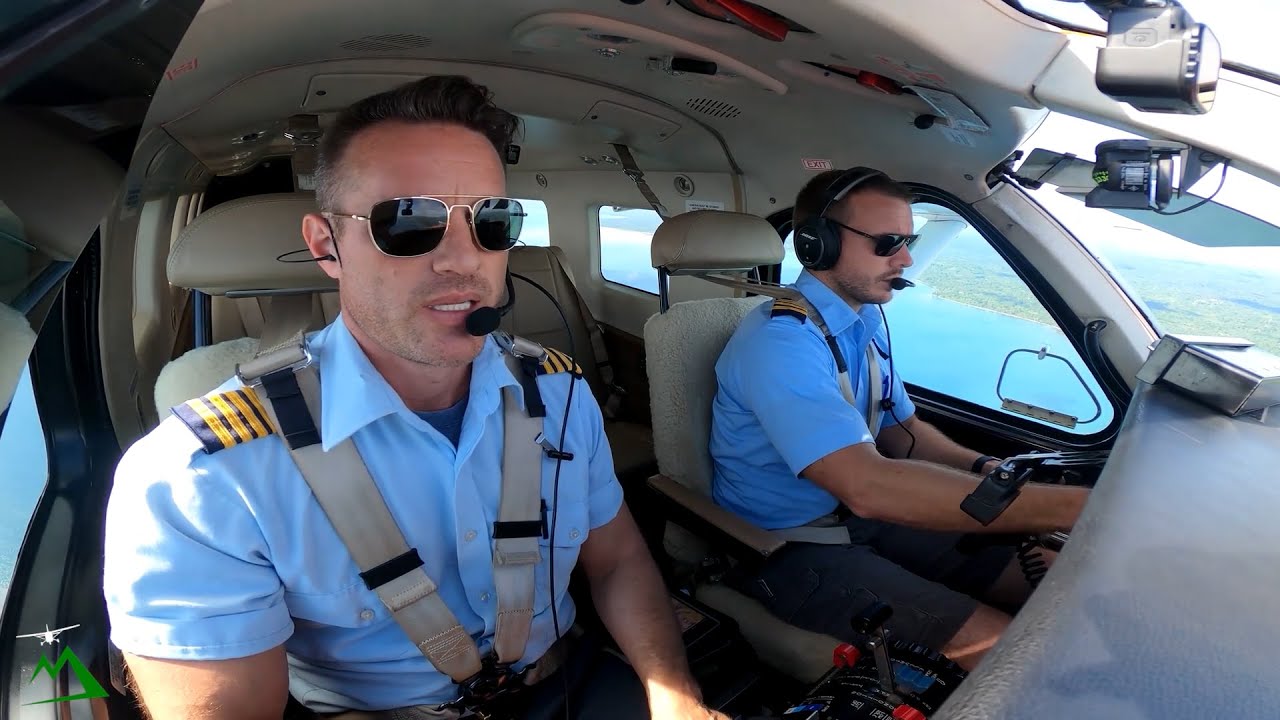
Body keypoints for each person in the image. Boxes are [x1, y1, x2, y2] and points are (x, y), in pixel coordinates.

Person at [103, 75, 725, 720]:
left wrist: (674, 697)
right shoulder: (200, 477)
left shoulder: (558, 394)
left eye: (492, 222)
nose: (463, 260)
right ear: (326, 245)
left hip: (568, 683)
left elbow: (618, 560)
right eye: (408, 221)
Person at [707, 167, 1091, 671]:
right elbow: (867, 486)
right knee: (1019, 656)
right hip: (788, 547)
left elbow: (903, 432)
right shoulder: (780, 343)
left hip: (863, 522)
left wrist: (987, 469)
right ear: (817, 244)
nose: (906, 258)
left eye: (908, 241)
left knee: (1070, 581)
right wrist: (1075, 507)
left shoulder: (862, 321)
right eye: (888, 243)